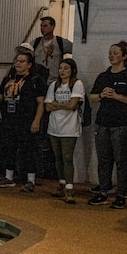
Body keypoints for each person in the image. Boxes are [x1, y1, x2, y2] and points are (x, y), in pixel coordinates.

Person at [87, 41, 127, 208]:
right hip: (103, 122)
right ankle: (104, 191)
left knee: (122, 159)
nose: (111, 55)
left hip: (122, 123)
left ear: (124, 56)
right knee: (104, 159)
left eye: (115, 52)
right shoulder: (103, 76)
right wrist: (101, 95)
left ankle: (122, 193)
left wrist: (119, 97)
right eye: (110, 52)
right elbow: (91, 97)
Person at [0, 51, 46, 191]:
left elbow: (41, 103)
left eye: (22, 61)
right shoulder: (9, 79)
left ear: (29, 64)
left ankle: (31, 180)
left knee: (28, 150)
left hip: (26, 120)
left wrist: (36, 121)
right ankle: (9, 177)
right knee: (8, 148)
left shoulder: (35, 80)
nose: (18, 64)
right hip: (9, 119)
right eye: (17, 61)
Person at [44, 57, 85, 204]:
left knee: (67, 157)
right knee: (58, 157)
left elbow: (72, 105)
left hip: (69, 127)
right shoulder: (54, 85)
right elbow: (47, 106)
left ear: (72, 70)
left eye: (66, 68)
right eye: (61, 68)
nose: (62, 71)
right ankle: (61, 184)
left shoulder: (77, 84)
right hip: (54, 126)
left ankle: (69, 188)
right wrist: (62, 104)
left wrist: (57, 104)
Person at [31, 16, 74, 83]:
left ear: (53, 27)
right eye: (41, 26)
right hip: (38, 81)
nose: (42, 28)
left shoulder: (61, 42)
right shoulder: (35, 43)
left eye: (45, 26)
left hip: (55, 80)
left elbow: (77, 51)